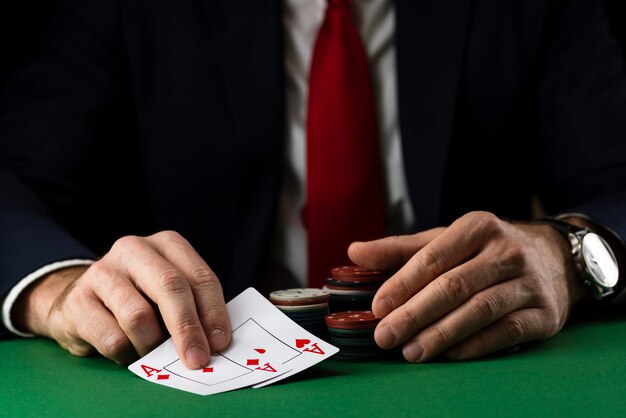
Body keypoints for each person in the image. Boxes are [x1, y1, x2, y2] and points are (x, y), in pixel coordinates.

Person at [1, 0, 626, 370]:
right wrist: (53, 286)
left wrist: (569, 256)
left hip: (465, 359)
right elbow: (13, 179)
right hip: (208, 363)